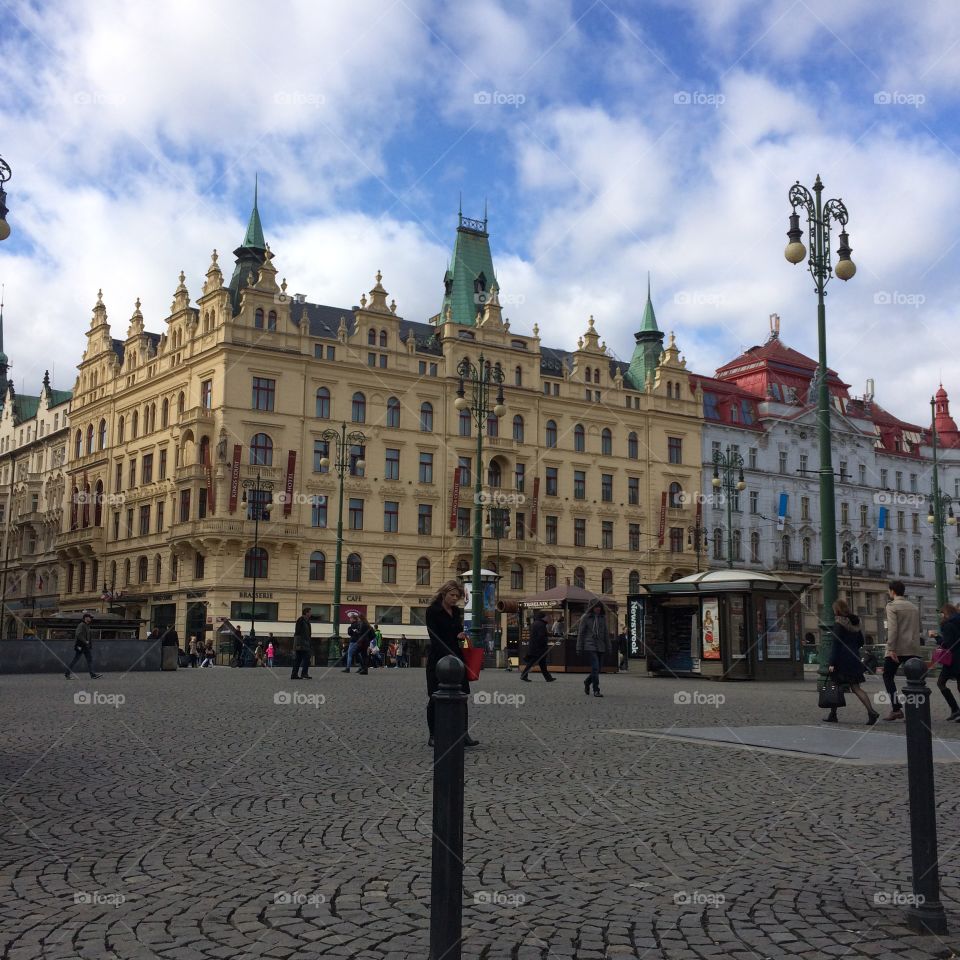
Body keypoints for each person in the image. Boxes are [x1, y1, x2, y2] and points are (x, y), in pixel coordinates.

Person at [425, 579, 479, 748]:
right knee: (435, 697)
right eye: (452, 595)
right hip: (438, 659)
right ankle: (433, 735)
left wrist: (460, 634)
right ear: (444, 594)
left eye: (458, 596)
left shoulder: (456, 611)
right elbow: (434, 637)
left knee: (462, 697)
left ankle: (463, 734)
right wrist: (448, 654)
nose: (455, 598)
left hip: (457, 658)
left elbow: (455, 631)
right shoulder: (433, 611)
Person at [823, 599, 880, 725]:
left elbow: (836, 645)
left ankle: (833, 714)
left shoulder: (838, 624)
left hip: (841, 660)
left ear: (836, 610)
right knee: (856, 688)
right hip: (854, 658)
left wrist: (831, 662)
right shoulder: (855, 624)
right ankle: (871, 712)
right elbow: (861, 642)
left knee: (834, 685)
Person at [882, 580, 922, 720]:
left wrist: (891, 648)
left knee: (887, 676)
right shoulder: (914, 607)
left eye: (889, 590)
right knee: (914, 680)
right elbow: (919, 628)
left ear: (892, 591)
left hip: (897, 649)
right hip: (913, 648)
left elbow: (893, 629)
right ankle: (916, 710)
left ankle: (896, 708)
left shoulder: (892, 606)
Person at [932, 603, 960, 720]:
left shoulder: (948, 625)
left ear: (946, 613)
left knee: (941, 683)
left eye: (942, 613)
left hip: (952, 660)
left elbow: (947, 644)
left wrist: (936, 637)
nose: (941, 616)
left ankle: (955, 709)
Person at [577, 601, 610, 698]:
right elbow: (581, 634)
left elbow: (605, 634)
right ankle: (596, 690)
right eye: (596, 607)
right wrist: (579, 647)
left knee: (598, 669)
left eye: (599, 607)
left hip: (601, 645)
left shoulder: (602, 618)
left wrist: (609, 646)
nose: (598, 609)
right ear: (591, 608)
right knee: (595, 667)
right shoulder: (586, 618)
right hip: (590, 645)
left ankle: (587, 681)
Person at [65, 611, 102, 679]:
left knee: (89, 660)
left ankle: (93, 675)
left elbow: (88, 636)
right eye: (90, 617)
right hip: (81, 646)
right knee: (75, 660)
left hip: (86, 647)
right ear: (86, 618)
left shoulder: (87, 625)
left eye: (91, 618)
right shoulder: (81, 625)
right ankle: (67, 674)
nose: (91, 619)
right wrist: (85, 641)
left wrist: (89, 644)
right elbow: (78, 634)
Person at [520, 611, 555, 682]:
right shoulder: (541, 625)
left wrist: (547, 635)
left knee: (542, 663)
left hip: (535, 647)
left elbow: (538, 634)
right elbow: (540, 636)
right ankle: (524, 675)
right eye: (546, 617)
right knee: (533, 662)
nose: (547, 618)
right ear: (543, 617)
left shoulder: (536, 623)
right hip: (539, 648)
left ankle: (548, 678)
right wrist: (545, 641)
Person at [291, 607, 313, 680]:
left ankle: (294, 674)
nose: (311, 613)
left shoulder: (306, 621)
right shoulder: (301, 620)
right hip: (301, 643)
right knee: (306, 658)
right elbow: (298, 632)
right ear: (306, 613)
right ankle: (303, 674)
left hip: (304, 643)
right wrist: (298, 644)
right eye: (310, 612)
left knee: (298, 659)